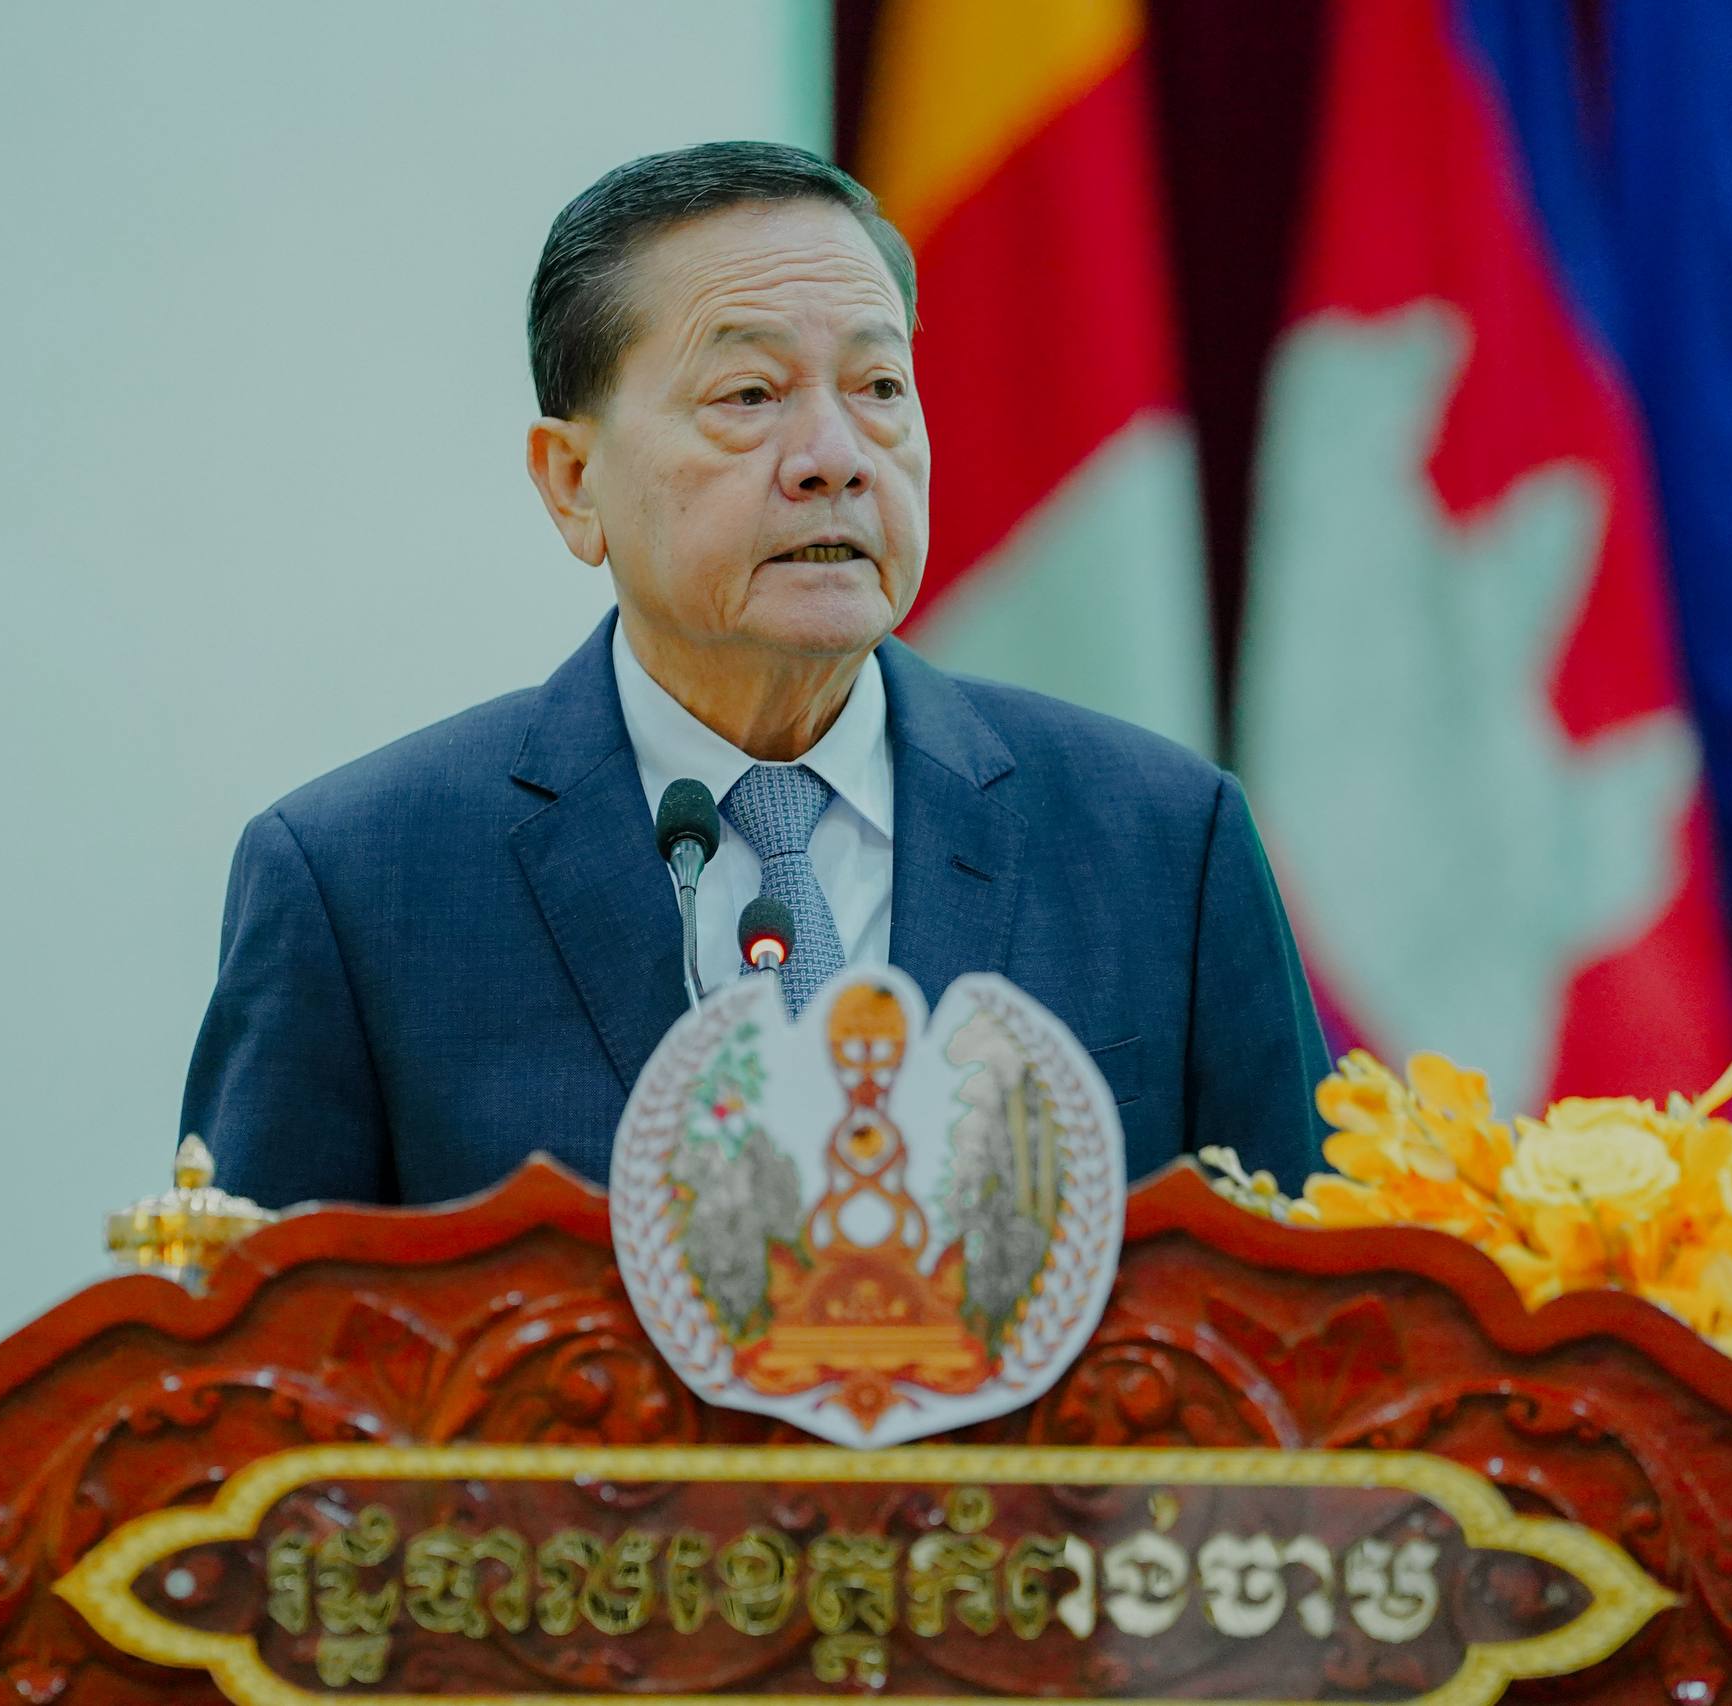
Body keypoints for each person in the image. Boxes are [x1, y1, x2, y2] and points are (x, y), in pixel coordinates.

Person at [181, 141, 1327, 1208]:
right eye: (749, 395)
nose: (836, 458)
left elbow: (1309, 1312)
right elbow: (253, 1342)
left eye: (879, 387)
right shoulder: (359, 885)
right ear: (572, 480)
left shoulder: (1163, 843)